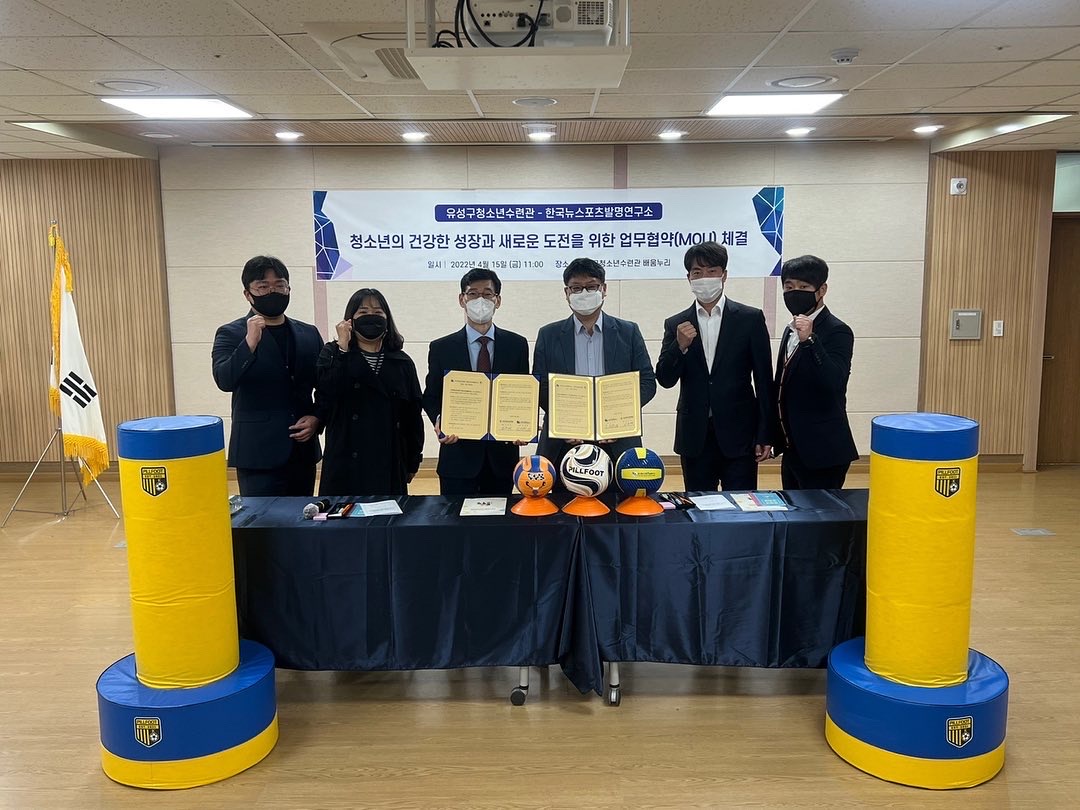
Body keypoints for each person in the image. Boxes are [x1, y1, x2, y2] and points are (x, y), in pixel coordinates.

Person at [655, 241, 774, 492]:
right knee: (698, 507)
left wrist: (765, 433)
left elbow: (764, 380)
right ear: (688, 278)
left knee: (741, 506)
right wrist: (679, 346)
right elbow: (665, 378)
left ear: (724, 275)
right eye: (697, 272)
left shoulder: (750, 318)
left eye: (711, 271)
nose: (704, 278)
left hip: (740, 434)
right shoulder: (676, 323)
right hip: (694, 436)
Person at [212, 255, 323, 496]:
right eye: (263, 287)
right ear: (248, 294)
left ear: (289, 289)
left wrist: (317, 417)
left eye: (279, 285)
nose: (273, 292)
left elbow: (326, 385)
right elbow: (224, 379)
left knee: (302, 516)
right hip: (257, 453)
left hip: (302, 450)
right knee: (260, 519)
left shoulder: (309, 333)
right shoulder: (231, 333)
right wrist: (249, 343)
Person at [532, 257, 656, 471]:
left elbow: (647, 383)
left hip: (618, 440)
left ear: (604, 289)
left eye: (591, 287)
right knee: (561, 494)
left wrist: (619, 418)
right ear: (566, 293)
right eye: (576, 288)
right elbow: (540, 386)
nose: (584, 293)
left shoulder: (628, 332)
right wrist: (565, 421)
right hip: (564, 441)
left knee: (618, 493)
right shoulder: (548, 334)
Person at [422, 268, 531, 496]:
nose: (480, 300)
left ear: (498, 300)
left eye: (487, 294)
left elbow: (522, 394)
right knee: (454, 519)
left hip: (502, 460)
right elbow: (431, 396)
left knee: (500, 519)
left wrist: (524, 424)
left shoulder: (517, 345)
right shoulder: (442, 347)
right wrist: (440, 421)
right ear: (462, 299)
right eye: (472, 293)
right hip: (457, 458)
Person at [316, 288, 424, 496]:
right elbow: (326, 395)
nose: (371, 317)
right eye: (363, 312)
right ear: (350, 320)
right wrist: (343, 348)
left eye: (378, 312)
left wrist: (413, 459)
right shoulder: (333, 353)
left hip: (389, 459)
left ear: (387, 319)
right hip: (345, 459)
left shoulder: (402, 361)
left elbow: (413, 416)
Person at [772, 255, 858, 489]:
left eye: (803, 287)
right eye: (789, 287)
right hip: (793, 449)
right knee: (794, 509)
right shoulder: (790, 330)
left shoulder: (838, 331)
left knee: (821, 512)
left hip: (824, 451)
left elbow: (833, 381)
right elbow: (782, 385)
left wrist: (810, 341)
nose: (795, 293)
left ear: (822, 290)